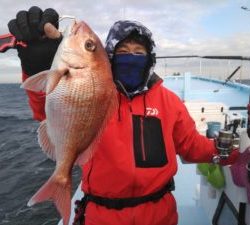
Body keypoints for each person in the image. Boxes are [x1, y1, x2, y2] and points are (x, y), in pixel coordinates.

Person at [8, 6, 239, 225]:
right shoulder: (98, 94)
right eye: (123, 51)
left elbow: (190, 146)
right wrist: (37, 67)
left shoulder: (169, 100)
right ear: (109, 57)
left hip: (160, 213)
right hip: (102, 214)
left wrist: (232, 152)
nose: (132, 57)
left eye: (139, 52)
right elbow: (46, 109)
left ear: (150, 59)